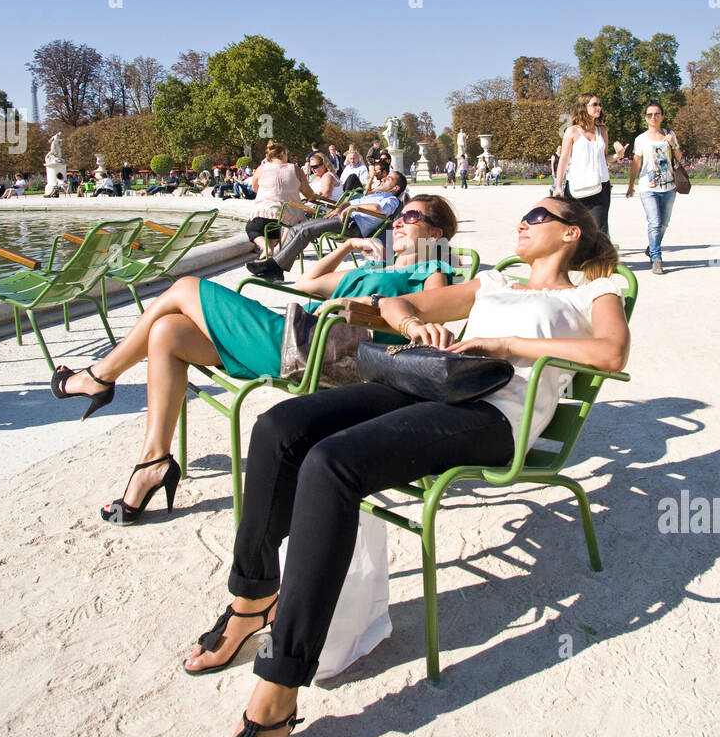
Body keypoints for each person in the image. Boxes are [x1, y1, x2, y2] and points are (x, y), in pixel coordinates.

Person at [187, 197, 629, 737]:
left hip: (494, 416)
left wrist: (504, 342)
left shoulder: (595, 292)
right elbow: (403, 306)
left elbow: (612, 355)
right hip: (421, 379)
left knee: (332, 464)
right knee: (280, 427)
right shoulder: (494, 282)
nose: (523, 221)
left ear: (570, 231)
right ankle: (252, 596)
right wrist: (414, 321)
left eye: (537, 213)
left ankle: (277, 692)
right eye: (522, 214)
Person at [49, 195, 459, 523]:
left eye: (412, 215)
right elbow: (306, 282)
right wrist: (349, 246)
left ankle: (101, 375)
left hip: (316, 351)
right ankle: (153, 460)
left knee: (186, 286)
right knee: (167, 332)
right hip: (296, 334)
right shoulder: (374, 266)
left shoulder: (433, 270)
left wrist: (367, 299)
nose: (400, 221)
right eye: (400, 216)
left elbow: (422, 315)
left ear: (435, 231)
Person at [247, 169, 408, 282]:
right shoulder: (375, 195)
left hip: (353, 226)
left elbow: (377, 209)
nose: (383, 179)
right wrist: (339, 208)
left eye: (388, 179)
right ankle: (276, 267)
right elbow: (349, 202)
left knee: (306, 230)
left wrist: (352, 209)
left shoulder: (391, 200)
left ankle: (274, 266)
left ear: (396, 188)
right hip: (343, 219)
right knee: (298, 228)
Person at [555, 93, 627, 233]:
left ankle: (602, 254)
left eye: (599, 104)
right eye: (594, 104)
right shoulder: (572, 131)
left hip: (601, 184)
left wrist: (618, 155)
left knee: (600, 228)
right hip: (577, 185)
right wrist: (558, 186)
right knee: (576, 228)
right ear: (583, 107)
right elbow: (563, 159)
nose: (598, 107)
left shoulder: (602, 131)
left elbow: (604, 158)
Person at [626, 101, 681, 275]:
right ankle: (657, 258)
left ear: (662, 116)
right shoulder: (640, 139)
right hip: (648, 187)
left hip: (669, 186)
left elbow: (679, 156)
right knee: (655, 223)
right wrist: (631, 185)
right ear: (645, 118)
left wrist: (673, 144)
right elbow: (636, 163)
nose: (653, 117)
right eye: (649, 115)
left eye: (657, 114)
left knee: (664, 224)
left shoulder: (669, 135)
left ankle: (652, 247)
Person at [244, 143, 320, 259]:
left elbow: (255, 188)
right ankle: (270, 256)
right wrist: (314, 196)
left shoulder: (262, 169)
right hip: (289, 214)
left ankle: (266, 248)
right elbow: (308, 193)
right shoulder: (295, 169)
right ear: (283, 154)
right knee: (275, 225)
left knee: (251, 227)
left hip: (266, 210)